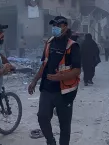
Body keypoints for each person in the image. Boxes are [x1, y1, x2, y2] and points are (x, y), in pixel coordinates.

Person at [27, 16, 81, 145]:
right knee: (42, 117)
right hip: (47, 88)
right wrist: (34, 81)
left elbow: (77, 70)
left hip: (65, 91)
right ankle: (50, 141)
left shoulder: (73, 46)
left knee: (64, 125)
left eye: (58, 25)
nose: (55, 27)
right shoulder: (49, 43)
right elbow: (44, 64)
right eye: (54, 25)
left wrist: (59, 77)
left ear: (65, 27)